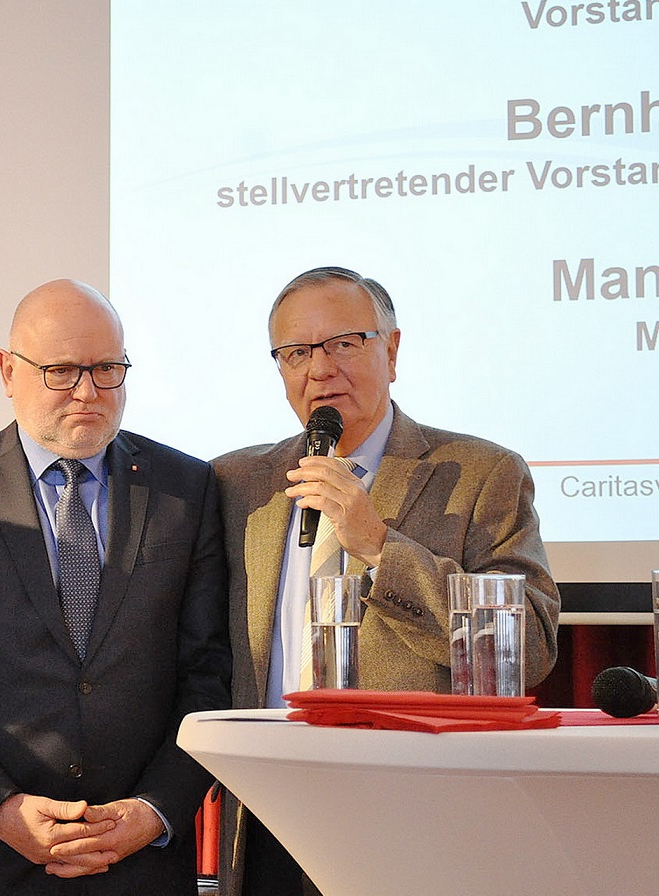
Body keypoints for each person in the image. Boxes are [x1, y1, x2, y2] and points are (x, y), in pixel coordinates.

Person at [0, 278, 232, 894]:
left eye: (107, 369)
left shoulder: (185, 489)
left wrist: (156, 810)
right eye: (61, 371)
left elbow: (209, 671)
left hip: (138, 863)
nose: (88, 393)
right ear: (8, 371)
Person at [212, 266, 560, 896]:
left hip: (416, 812)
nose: (320, 369)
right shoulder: (236, 485)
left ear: (392, 350)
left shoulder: (481, 473)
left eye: (344, 344)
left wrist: (380, 544)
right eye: (296, 353)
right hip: (270, 812)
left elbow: (530, 647)